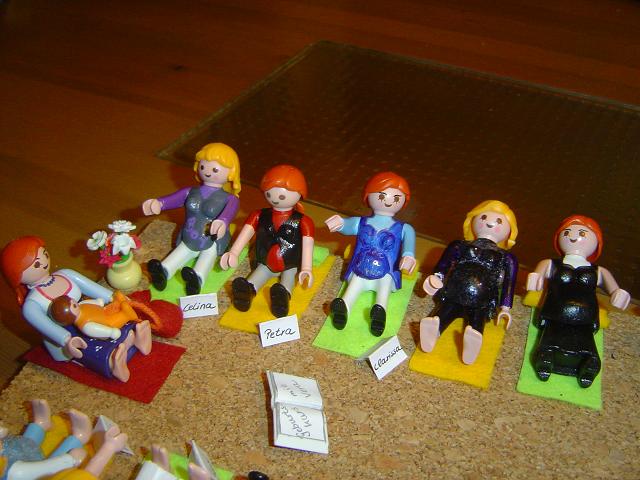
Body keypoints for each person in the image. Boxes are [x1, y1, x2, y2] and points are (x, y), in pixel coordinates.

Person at [1, 236, 151, 382]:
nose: (44, 263)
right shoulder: (31, 305)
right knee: (88, 345)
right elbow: (47, 327)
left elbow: (90, 287)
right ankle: (113, 362)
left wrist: (113, 298)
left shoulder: (65, 274)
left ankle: (134, 338)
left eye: (44, 254)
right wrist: (66, 339)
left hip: (89, 309)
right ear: (17, 276)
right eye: (36, 264)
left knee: (116, 318)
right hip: (68, 330)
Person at [526, 215, 630, 387]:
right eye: (567, 232)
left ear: (597, 241)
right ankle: (545, 360)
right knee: (550, 338)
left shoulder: (599, 271)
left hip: (585, 317)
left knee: (585, 342)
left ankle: (589, 365)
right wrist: (535, 276)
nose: (573, 236)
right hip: (556, 312)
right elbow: (539, 271)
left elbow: (613, 287)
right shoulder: (551, 263)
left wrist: (618, 293)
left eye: (582, 233)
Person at [420, 200, 518, 364]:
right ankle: (434, 330)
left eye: (499, 221)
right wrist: (436, 277)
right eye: (484, 217)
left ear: (510, 230)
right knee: (445, 311)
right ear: (473, 219)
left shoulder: (507, 258)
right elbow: (443, 264)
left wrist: (506, 306)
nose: (490, 222)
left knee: (477, 319)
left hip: (483, 298)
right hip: (455, 290)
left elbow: (509, 283)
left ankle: (473, 339)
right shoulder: (459, 245)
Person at [325, 172, 416, 336]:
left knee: (385, 285)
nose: (389, 201)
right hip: (361, 268)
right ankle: (344, 307)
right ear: (368, 196)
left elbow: (409, 245)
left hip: (387, 271)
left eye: (396, 198)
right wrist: (340, 223)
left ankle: (379, 313)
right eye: (381, 196)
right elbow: (348, 225)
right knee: (355, 283)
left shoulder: (404, 228)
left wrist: (408, 256)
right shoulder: (361, 222)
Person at [142, 143, 241, 295]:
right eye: (203, 166)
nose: (207, 172)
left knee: (207, 257)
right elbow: (172, 200)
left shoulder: (230, 199)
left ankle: (196, 280)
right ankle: (163, 273)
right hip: (189, 235)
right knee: (180, 252)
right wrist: (158, 203)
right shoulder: (190, 191)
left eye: (215, 169)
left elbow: (228, 215)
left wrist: (222, 222)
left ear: (231, 172)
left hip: (212, 239)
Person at [220, 165, 314, 318]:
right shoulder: (259, 215)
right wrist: (234, 252)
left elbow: (308, 244)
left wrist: (306, 268)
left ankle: (282, 299)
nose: (275, 198)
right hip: (265, 262)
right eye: (269, 193)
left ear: (300, 194)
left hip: (290, 263)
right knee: (258, 275)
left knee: (288, 279)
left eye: (281, 196)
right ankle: (247, 293)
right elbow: (246, 232)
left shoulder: (303, 221)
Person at [0, 399, 92, 480]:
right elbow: (41, 470)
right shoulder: (17, 472)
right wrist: (70, 460)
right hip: (26, 474)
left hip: (9, 457)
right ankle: (78, 439)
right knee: (48, 469)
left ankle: (41, 425)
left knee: (22, 445)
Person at [50, 291, 139, 340]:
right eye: (73, 305)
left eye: (71, 300)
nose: (74, 302)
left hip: (103, 311)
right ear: (69, 316)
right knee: (119, 317)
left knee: (114, 305)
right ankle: (127, 315)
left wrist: (98, 302)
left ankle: (120, 302)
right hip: (107, 324)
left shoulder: (81, 304)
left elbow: (95, 303)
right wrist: (110, 332)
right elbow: (97, 329)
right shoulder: (86, 326)